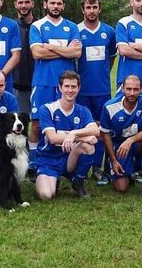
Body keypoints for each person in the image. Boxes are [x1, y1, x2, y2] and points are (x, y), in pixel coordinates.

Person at [29, 0, 82, 181]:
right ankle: (34, 164)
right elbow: (37, 53)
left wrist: (49, 47)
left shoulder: (71, 27)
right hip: (43, 81)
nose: (55, 6)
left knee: (63, 123)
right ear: (45, 4)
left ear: (63, 6)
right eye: (52, 3)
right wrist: (65, 51)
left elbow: (76, 52)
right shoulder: (37, 26)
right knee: (36, 124)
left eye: (59, 3)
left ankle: (64, 164)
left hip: (66, 84)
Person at [36, 71, 99, 200]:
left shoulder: (82, 110)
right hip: (49, 160)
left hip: (71, 159)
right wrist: (81, 137)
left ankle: (79, 181)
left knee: (89, 146)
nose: (70, 90)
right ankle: (54, 179)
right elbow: (53, 138)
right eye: (67, 86)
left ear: (79, 88)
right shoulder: (47, 109)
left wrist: (73, 133)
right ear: (60, 88)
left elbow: (95, 131)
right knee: (46, 195)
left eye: (73, 87)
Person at [75, 0, 117, 186]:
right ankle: (80, 166)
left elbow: (111, 57)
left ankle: (99, 169)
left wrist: (101, 74)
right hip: (81, 91)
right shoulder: (75, 30)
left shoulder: (109, 31)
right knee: (82, 130)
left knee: (102, 130)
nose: (91, 11)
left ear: (99, 9)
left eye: (95, 7)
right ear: (83, 9)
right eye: (88, 8)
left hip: (102, 90)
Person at [99, 75, 142, 197]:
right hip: (119, 146)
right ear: (122, 88)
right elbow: (105, 134)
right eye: (128, 89)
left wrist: (130, 140)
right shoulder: (109, 106)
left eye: (135, 89)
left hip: (136, 143)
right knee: (121, 187)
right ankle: (123, 170)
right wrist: (114, 160)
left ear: (141, 89)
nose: (132, 93)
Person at [11, 0, 37, 113]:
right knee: (21, 124)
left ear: (33, 3)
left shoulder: (41, 25)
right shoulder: (11, 26)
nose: (23, 6)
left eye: (27, 2)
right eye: (20, 2)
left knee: (41, 123)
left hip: (39, 84)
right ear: (15, 4)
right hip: (18, 85)